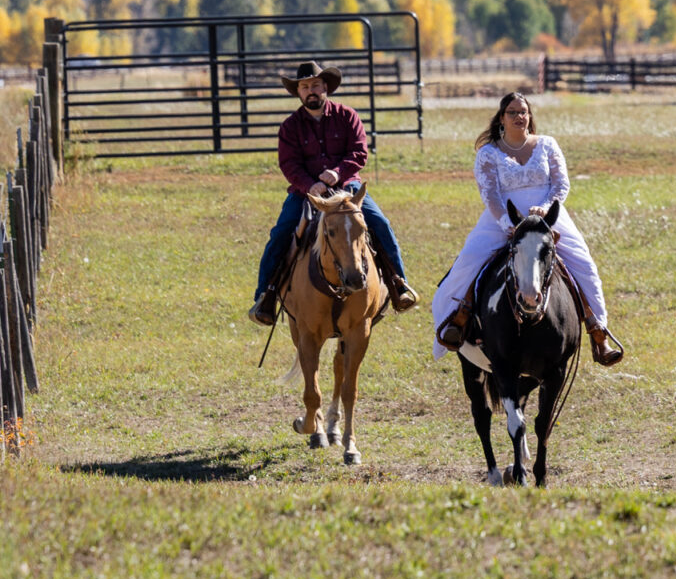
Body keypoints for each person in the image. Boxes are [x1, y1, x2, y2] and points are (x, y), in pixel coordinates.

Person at [432, 90, 624, 367]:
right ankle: (456, 321)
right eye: (512, 112)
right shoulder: (488, 153)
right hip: (503, 219)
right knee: (467, 262)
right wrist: (510, 225)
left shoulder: (547, 144)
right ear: (501, 118)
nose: (519, 116)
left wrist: (545, 209)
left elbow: (561, 185)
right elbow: (491, 195)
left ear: (530, 116)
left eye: (523, 111)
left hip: (550, 217)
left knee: (584, 264)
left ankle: (598, 331)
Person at [248, 59, 418, 323]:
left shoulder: (347, 116)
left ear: (325, 87)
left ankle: (398, 284)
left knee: (379, 223)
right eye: (305, 87)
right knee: (281, 232)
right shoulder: (290, 127)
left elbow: (359, 152)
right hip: (307, 193)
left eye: (315, 85)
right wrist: (309, 185)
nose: (311, 91)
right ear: (298, 92)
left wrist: (338, 173)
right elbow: (288, 163)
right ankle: (265, 296)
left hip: (347, 187)